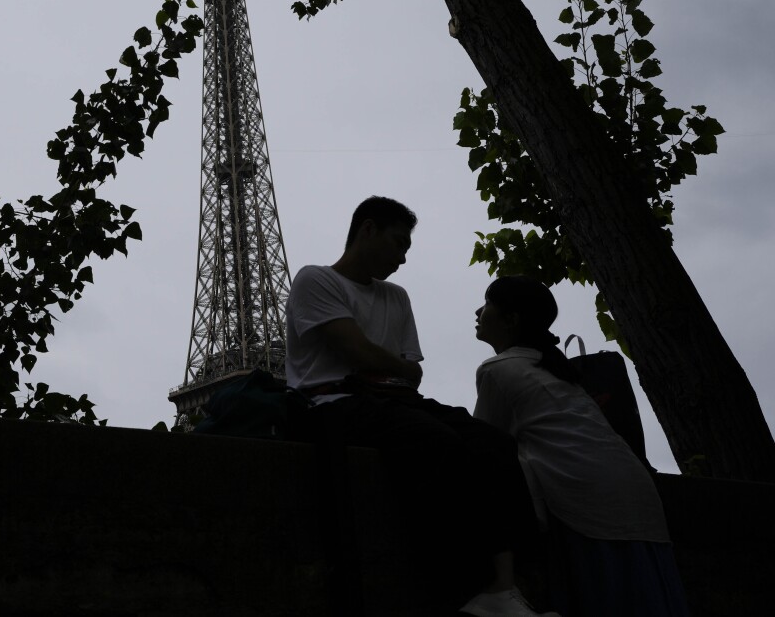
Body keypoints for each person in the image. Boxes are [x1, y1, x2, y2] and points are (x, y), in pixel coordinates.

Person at [287, 196, 555, 617]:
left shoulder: (397, 296)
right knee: (436, 442)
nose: (403, 258)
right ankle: (462, 588)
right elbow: (359, 354)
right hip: (335, 401)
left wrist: (383, 366)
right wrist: (385, 367)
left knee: (494, 443)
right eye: (398, 244)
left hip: (395, 400)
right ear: (368, 229)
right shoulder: (315, 280)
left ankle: (504, 586)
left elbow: (410, 372)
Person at [472, 276, 690, 617]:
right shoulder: (557, 372)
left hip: (585, 499)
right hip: (637, 497)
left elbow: (483, 445)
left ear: (510, 319)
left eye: (486, 304)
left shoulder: (498, 370)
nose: (478, 311)